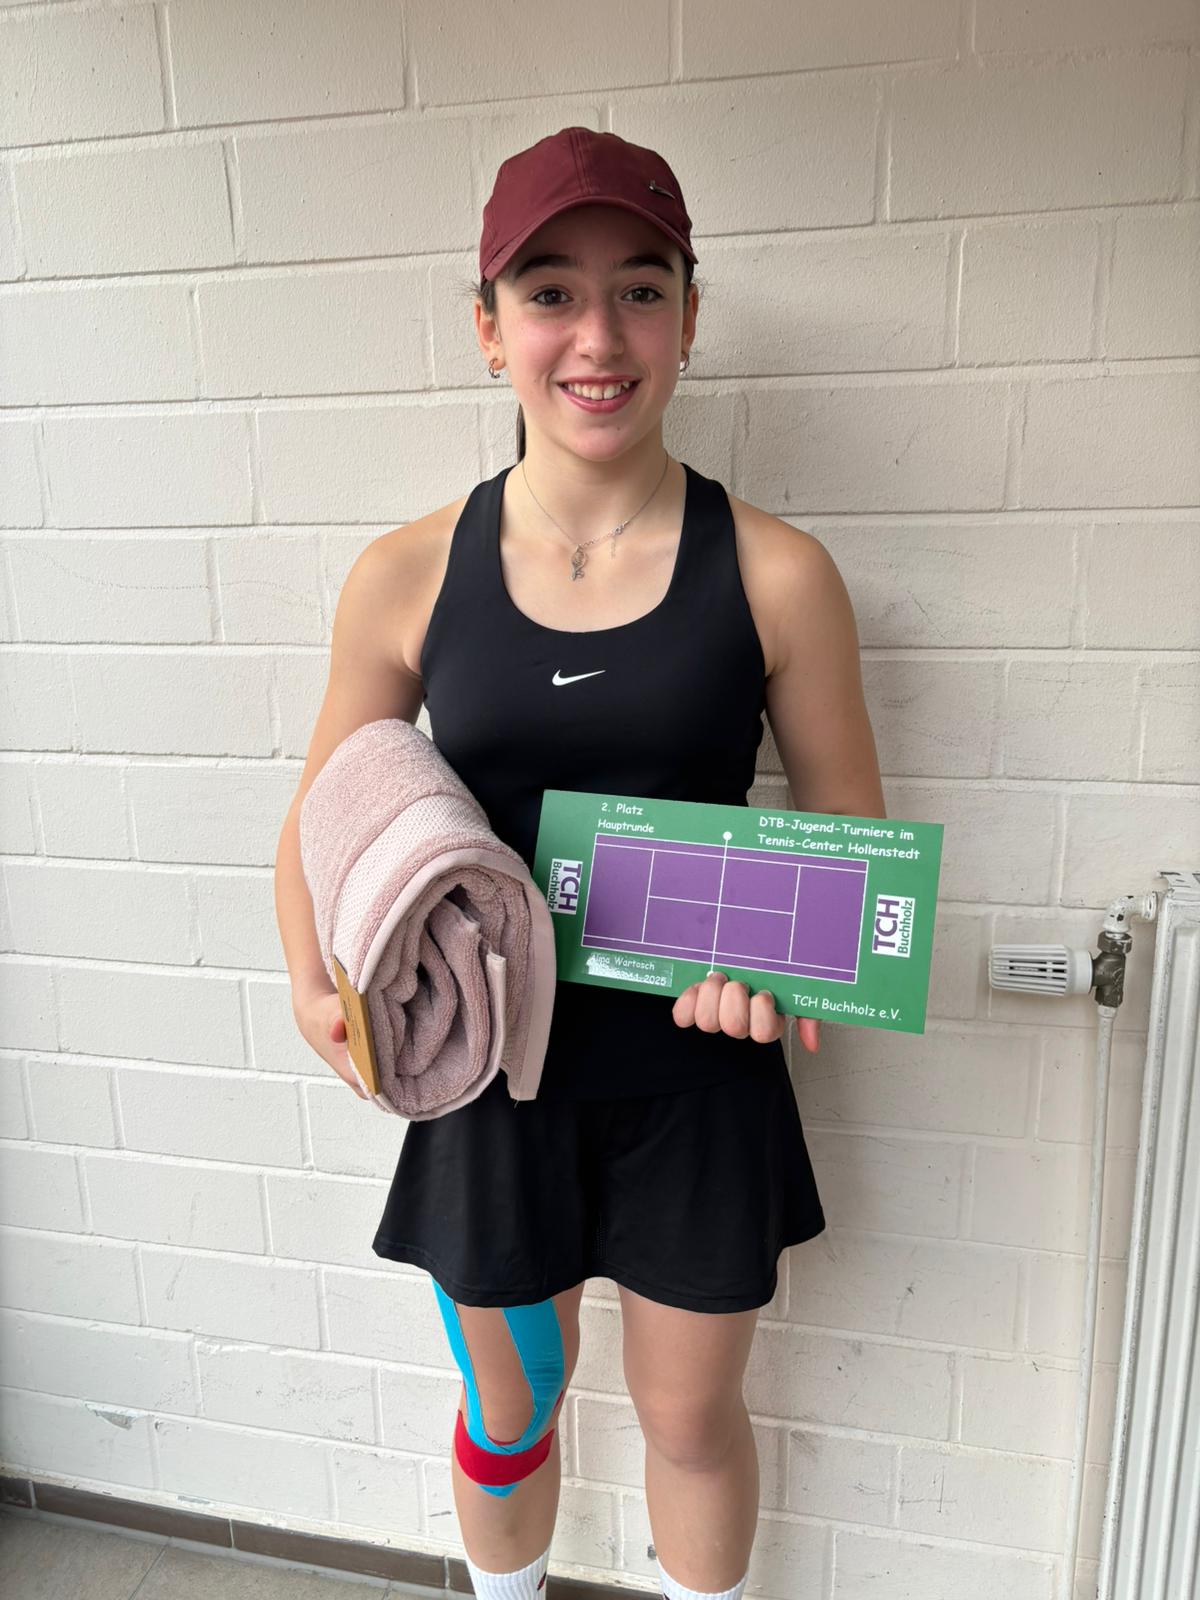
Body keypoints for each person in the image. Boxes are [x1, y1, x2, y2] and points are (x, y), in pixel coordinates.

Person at [275, 126, 886, 1600]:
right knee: (513, 1411)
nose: (598, 337)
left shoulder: (779, 572)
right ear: (490, 327)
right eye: (550, 292)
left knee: (688, 1421)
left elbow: (857, 870)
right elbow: (322, 815)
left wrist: (784, 969)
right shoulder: (408, 572)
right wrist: (314, 986)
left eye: (640, 290)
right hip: (490, 1074)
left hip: (699, 1081)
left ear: (689, 315)